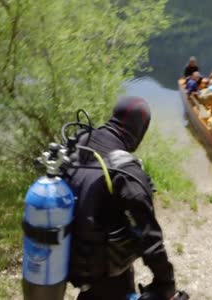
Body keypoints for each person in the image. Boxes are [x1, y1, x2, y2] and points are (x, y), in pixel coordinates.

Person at [64, 96, 178, 300]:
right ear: (140, 129)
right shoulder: (125, 169)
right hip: (104, 270)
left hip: (69, 256)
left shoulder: (81, 140)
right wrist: (166, 283)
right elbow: (150, 238)